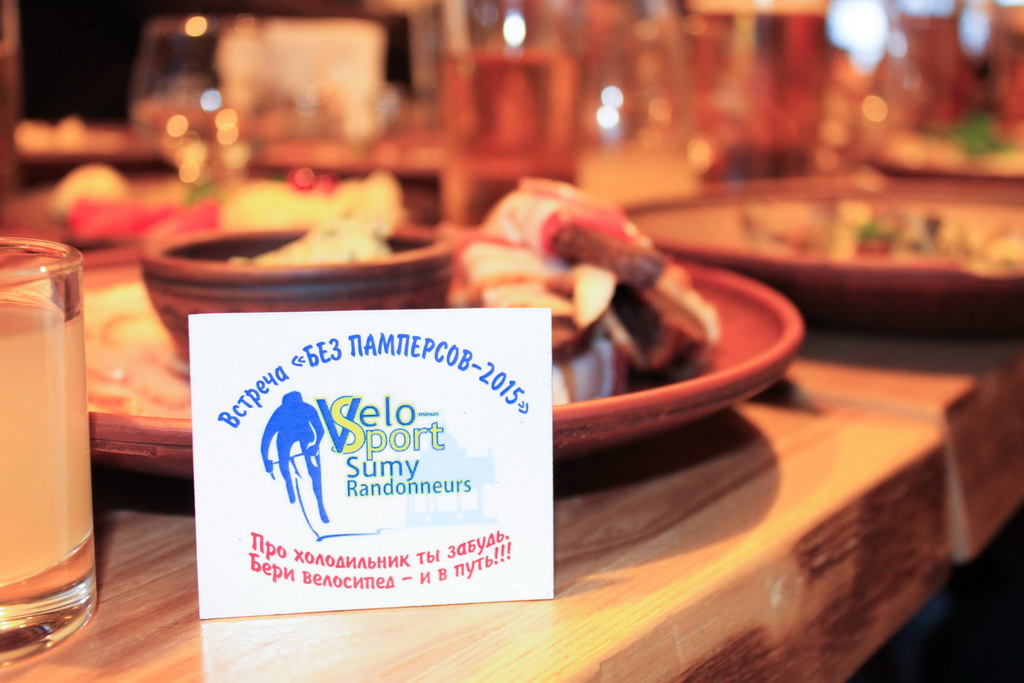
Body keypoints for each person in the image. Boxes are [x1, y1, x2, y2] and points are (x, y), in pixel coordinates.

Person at [261, 390, 329, 523]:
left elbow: (320, 430)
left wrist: (315, 445)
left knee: (314, 471)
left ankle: (320, 505)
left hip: (306, 439)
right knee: (285, 467)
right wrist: (266, 461)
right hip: (285, 441)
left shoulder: (307, 409)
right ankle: (291, 496)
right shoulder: (279, 413)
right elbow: (266, 438)